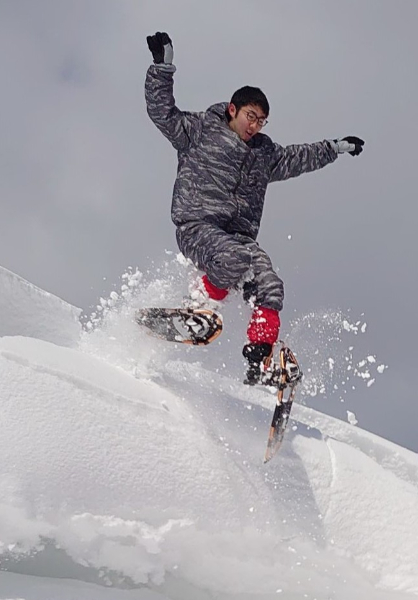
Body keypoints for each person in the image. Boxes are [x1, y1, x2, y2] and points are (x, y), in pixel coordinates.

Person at [144, 31, 364, 385]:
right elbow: (162, 113)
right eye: (251, 116)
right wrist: (162, 68)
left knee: (270, 285)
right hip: (198, 227)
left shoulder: (264, 154)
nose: (255, 125)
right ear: (233, 110)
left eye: (262, 121)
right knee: (234, 259)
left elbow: (298, 157)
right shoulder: (199, 130)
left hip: (240, 238)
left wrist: (334, 148)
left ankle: (260, 359)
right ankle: (198, 304)